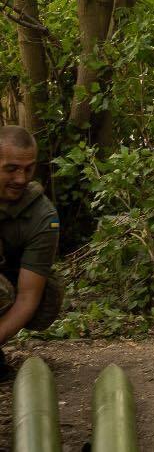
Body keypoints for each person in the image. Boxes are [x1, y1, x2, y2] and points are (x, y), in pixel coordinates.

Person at [0, 126, 62, 380]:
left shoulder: (43, 216)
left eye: (28, 169)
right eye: (11, 168)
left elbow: (28, 297)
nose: (21, 179)